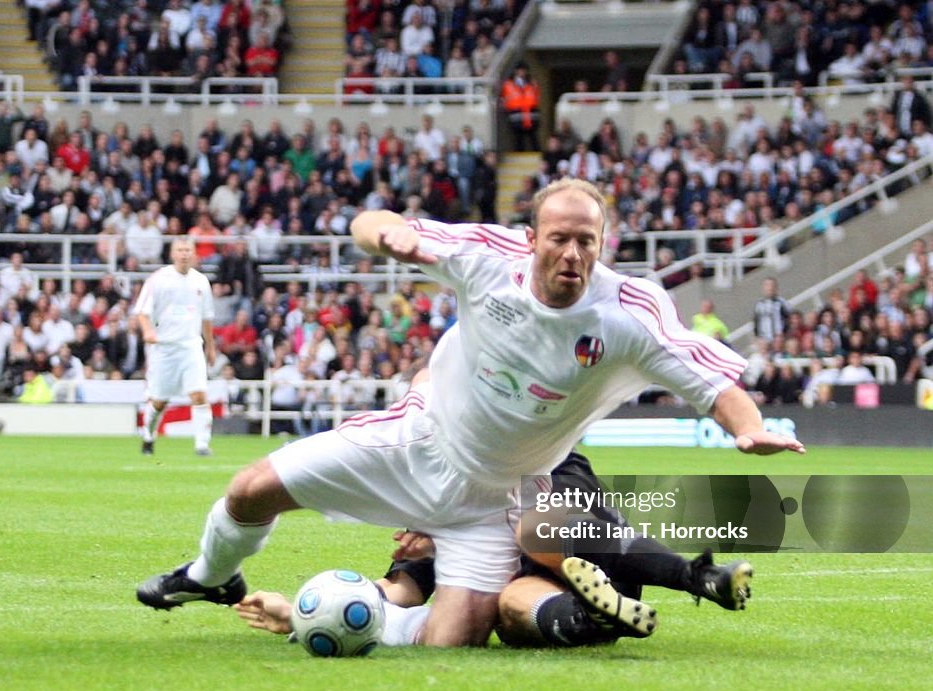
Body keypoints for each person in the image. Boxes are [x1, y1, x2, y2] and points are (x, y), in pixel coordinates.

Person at [137, 178, 803, 647]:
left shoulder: (628, 312)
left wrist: (747, 428)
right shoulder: (488, 260)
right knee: (251, 490)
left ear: (603, 242)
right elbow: (370, 224)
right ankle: (209, 577)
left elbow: (704, 374)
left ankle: (346, 620)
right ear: (532, 237)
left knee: (453, 638)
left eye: (586, 242)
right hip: (421, 442)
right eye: (559, 238)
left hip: (499, 501)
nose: (572, 254)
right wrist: (388, 237)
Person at [236, 449, 757, 649]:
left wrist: (446, 531)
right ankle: (595, 620)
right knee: (507, 607)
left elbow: (567, 525)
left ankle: (697, 578)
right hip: (563, 600)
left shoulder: (555, 459)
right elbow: (399, 591)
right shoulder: (432, 506)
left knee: (538, 530)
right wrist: (308, 611)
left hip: (600, 558)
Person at [133, 237, 217, 456]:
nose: (184, 254)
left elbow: (207, 318)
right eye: (180, 250)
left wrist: (210, 347)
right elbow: (142, 311)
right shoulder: (159, 279)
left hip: (191, 346)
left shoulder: (201, 282)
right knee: (159, 401)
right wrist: (148, 331)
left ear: (194, 254)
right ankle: (148, 436)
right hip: (165, 348)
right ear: (172, 254)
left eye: (188, 250)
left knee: (199, 395)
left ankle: (202, 444)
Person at [501, 64, 540, 152]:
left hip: (531, 116)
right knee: (518, 140)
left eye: (524, 70)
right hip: (516, 116)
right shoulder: (508, 84)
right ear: (516, 71)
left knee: (533, 139)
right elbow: (504, 99)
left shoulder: (532, 83)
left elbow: (537, 97)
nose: (522, 72)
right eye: (520, 70)